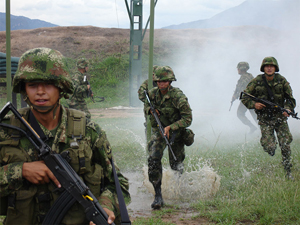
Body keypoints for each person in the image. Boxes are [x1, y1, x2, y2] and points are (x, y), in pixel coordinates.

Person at [0, 47, 130, 225]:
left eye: (48, 84)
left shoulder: (88, 131)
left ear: (61, 87)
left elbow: (117, 182)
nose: (40, 91)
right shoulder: (6, 130)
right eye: (32, 85)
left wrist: (106, 207)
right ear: (23, 89)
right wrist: (20, 170)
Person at [144, 66, 193, 209]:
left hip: (176, 133)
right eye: (159, 81)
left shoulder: (178, 96)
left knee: (176, 163)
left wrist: (171, 127)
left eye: (165, 81)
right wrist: (151, 111)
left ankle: (178, 186)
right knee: (153, 159)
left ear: (170, 81)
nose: (161, 84)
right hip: (159, 132)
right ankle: (158, 195)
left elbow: (188, 118)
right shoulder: (152, 94)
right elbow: (146, 105)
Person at [241, 56, 296, 179]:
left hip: (280, 119)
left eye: (272, 66)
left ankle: (288, 172)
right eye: (267, 66)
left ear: (275, 68)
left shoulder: (282, 80)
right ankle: (270, 146)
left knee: (285, 145)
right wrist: (254, 104)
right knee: (270, 147)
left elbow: (290, 99)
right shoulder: (257, 81)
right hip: (265, 120)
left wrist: (288, 109)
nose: (269, 68)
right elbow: (244, 97)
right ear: (263, 68)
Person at [231, 62, 257, 133]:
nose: (237, 70)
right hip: (251, 99)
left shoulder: (244, 78)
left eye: (238, 68)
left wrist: (235, 96)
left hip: (247, 99)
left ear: (241, 69)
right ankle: (262, 129)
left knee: (240, 113)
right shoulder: (249, 76)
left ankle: (254, 127)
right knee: (255, 116)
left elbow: (243, 91)